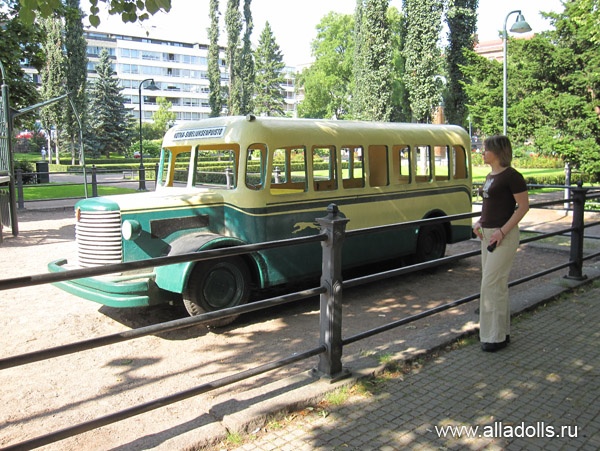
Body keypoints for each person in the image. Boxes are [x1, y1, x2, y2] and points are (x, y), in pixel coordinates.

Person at [472, 135, 529, 352]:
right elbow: (491, 206)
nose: (482, 152)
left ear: (497, 152)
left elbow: (523, 207)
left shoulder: (512, 176)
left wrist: (502, 232)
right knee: (497, 285)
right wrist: (479, 222)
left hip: (502, 237)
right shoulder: (490, 176)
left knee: (490, 284)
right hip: (487, 234)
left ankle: (492, 337)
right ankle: (501, 333)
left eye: (486, 149)